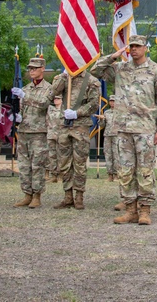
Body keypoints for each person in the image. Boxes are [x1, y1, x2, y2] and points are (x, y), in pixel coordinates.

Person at [92, 35, 157, 226]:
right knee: (126, 170)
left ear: (146, 48)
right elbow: (95, 71)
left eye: (138, 46)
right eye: (131, 46)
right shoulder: (121, 68)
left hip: (145, 129)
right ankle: (130, 209)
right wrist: (113, 56)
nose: (134, 49)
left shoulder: (156, 71)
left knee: (145, 170)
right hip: (123, 128)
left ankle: (145, 210)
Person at [50, 66, 101, 210]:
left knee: (79, 164)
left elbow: (94, 104)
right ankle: (67, 197)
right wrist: (63, 76)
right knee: (64, 163)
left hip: (80, 127)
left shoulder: (91, 81)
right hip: (64, 127)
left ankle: (79, 197)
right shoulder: (64, 79)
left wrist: (77, 113)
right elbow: (53, 93)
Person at [11, 55, 51, 208]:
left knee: (37, 165)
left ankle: (37, 195)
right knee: (24, 165)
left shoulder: (48, 88)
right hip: (24, 131)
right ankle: (27, 194)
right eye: (30, 68)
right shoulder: (26, 88)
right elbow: (22, 107)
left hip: (39, 132)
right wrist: (17, 115)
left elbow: (43, 104)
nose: (31, 71)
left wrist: (24, 97)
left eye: (34, 68)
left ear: (42, 69)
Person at [98, 95, 120, 181]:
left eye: (114, 101)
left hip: (116, 135)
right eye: (111, 101)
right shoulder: (106, 112)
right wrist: (101, 119)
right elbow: (102, 125)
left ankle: (116, 174)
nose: (112, 103)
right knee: (108, 155)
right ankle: (110, 174)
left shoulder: (120, 112)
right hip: (107, 135)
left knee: (116, 155)